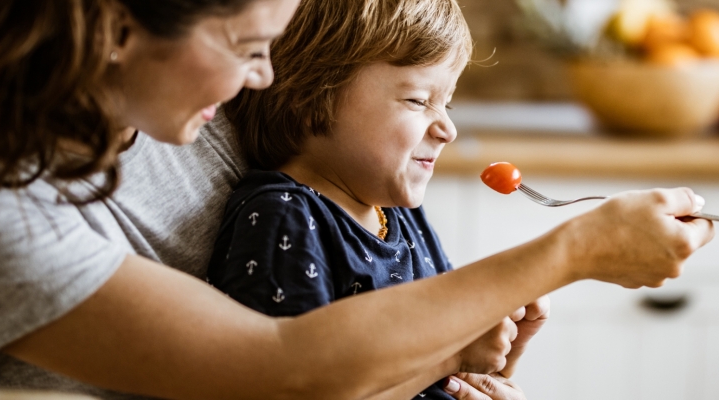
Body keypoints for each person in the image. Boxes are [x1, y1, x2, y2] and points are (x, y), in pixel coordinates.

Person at [0, 0, 715, 399]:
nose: (265, 78)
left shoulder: (194, 105)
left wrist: (449, 355)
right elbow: (283, 371)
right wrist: (569, 251)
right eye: (247, 47)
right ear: (115, 30)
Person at [207, 1, 544, 398]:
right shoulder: (284, 219)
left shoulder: (402, 218)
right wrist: (450, 354)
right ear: (312, 95)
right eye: (419, 100)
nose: (447, 129)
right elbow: (298, 390)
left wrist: (505, 346)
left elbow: (455, 376)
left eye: (446, 103)